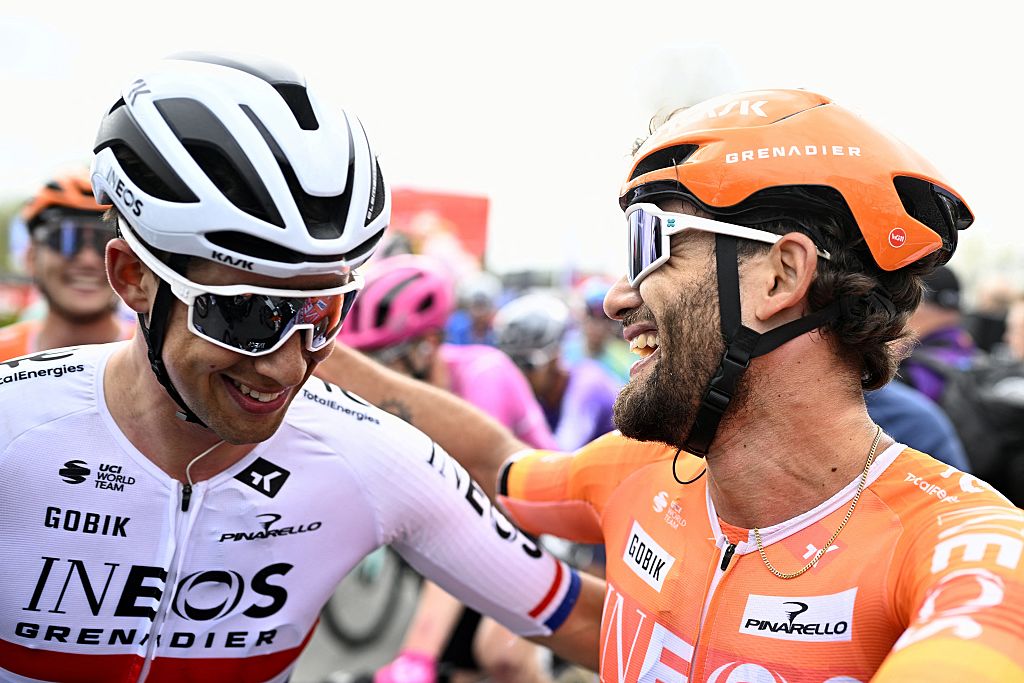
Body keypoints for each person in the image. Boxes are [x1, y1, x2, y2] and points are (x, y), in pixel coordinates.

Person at [328, 89, 1023, 682]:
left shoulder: (959, 542)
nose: (617, 298)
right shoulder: (638, 471)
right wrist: (310, 351)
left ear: (780, 276)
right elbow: (495, 465)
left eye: (647, 242)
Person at [0, 53, 601, 683]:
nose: (289, 366)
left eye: (323, 310)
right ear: (133, 279)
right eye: (248, 315)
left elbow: (592, 625)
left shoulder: (370, 457)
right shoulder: (17, 427)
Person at [326, 254, 557, 683]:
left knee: (502, 657)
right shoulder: (410, 390)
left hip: (541, 521)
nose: (371, 376)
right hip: (483, 531)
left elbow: (468, 520)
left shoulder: (485, 375)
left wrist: (417, 652)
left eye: (381, 359)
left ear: (425, 347)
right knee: (459, 669)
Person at [0, 170, 132, 360]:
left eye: (104, 241)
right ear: (31, 257)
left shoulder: (159, 359)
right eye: (65, 239)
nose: (88, 260)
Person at [493, 292, 618, 451]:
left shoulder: (589, 384)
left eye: (527, 365)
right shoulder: (541, 396)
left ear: (555, 356)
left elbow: (560, 453)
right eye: (512, 366)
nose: (519, 375)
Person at [900, 265, 978, 402]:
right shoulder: (962, 345)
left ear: (921, 304)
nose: (901, 312)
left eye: (907, 301)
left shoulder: (929, 366)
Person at [561, 275, 633, 385]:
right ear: (583, 316)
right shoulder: (564, 354)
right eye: (592, 316)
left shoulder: (623, 361)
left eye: (604, 319)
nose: (597, 326)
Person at [445, 270, 502, 346]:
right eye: (476, 306)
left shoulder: (496, 331)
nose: (479, 313)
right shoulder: (456, 326)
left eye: (482, 307)